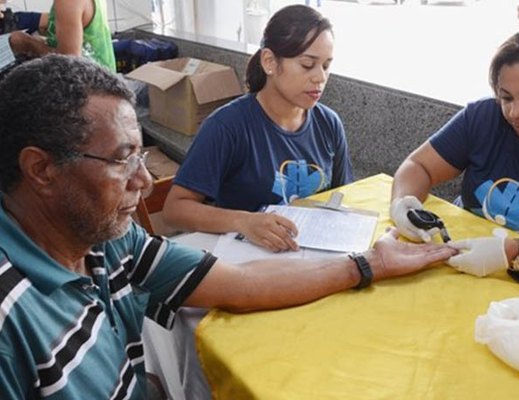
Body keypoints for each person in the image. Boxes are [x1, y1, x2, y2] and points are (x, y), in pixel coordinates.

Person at [0, 54, 456, 399]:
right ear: (41, 170)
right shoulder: (10, 319)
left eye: (141, 156)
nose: (144, 180)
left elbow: (237, 282)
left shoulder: (106, 240)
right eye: (123, 161)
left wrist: (368, 263)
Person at [390, 22, 519, 284]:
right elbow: (419, 166)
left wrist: (511, 252)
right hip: (457, 263)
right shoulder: (483, 117)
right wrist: (403, 203)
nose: (515, 112)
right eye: (506, 97)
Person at [163, 5, 353, 253]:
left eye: (326, 66)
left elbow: (343, 195)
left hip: (307, 256)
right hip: (245, 262)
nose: (320, 77)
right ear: (270, 62)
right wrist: (243, 221)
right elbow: (175, 210)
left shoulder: (329, 123)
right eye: (307, 65)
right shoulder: (226, 127)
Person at [6, 0, 116, 71]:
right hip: (105, 79)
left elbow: (70, 64)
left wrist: (29, 44)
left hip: (91, 90)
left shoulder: (68, 2)